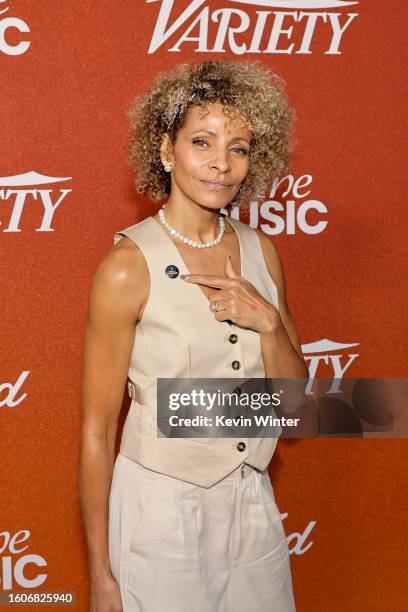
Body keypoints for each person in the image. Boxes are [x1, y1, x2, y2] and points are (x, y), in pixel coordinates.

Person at [79, 60, 309, 612]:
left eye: (239, 148)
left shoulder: (261, 252)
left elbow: (295, 404)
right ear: (166, 149)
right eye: (202, 142)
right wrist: (100, 576)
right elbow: (95, 429)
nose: (221, 165)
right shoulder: (127, 266)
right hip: (160, 507)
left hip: (251, 500)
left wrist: (268, 322)